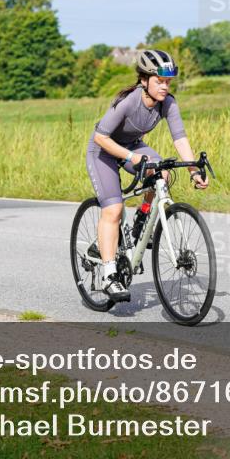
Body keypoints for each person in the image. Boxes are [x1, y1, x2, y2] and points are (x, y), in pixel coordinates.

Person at [85, 49, 209, 302]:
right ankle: (110, 275)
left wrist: (193, 169)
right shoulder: (129, 101)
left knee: (161, 169)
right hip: (104, 150)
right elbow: (100, 136)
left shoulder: (168, 103)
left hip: (131, 146)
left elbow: (180, 139)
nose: (164, 87)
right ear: (144, 80)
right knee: (114, 209)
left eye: (168, 81)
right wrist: (130, 158)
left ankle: (142, 221)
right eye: (159, 81)